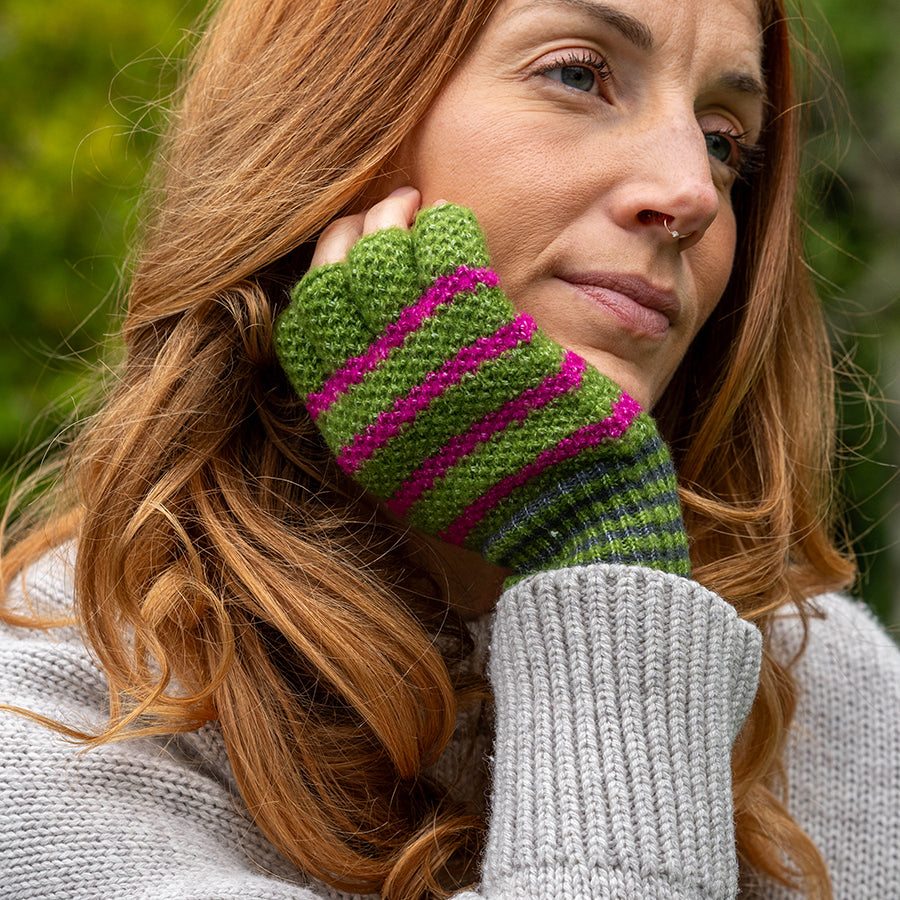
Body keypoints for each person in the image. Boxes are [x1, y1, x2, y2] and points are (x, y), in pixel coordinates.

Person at [1, 0, 898, 897]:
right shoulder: (59, 724)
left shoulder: (837, 696)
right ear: (347, 117)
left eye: (721, 138)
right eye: (579, 75)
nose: (693, 194)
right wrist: (597, 544)